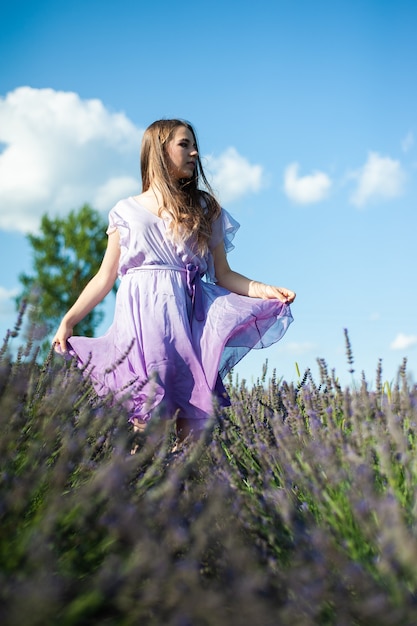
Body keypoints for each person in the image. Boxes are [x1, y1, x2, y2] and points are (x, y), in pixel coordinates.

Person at [53, 119, 295, 441]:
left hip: (185, 327)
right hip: (140, 329)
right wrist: (69, 320)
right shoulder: (125, 211)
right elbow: (104, 277)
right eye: (184, 144)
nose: (195, 153)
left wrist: (265, 290)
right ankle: (135, 488)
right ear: (159, 150)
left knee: (187, 429)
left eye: (194, 145)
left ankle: (184, 490)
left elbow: (223, 274)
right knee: (145, 422)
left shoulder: (204, 208)